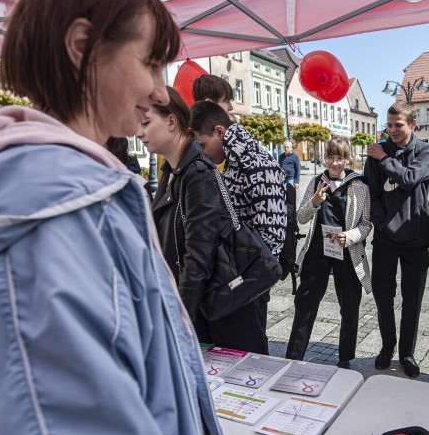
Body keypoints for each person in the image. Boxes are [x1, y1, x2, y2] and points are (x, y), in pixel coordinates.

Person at [0, 0, 232, 435]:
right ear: (82, 48)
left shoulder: (78, 190)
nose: (160, 90)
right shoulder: (48, 207)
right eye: (148, 62)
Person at [145, 87, 265, 353]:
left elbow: (198, 255)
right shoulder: (173, 172)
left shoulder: (196, 172)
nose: (138, 132)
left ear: (172, 122)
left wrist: (179, 319)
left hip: (221, 314)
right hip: (203, 308)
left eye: (145, 122)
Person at [190, 100, 287, 353]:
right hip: (235, 278)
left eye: (203, 145)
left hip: (246, 283)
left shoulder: (257, 164)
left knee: (250, 356)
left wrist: (240, 279)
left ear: (220, 132)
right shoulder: (233, 162)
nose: (203, 153)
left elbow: (273, 236)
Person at [285, 138, 372, 368]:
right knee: (306, 304)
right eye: (331, 157)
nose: (335, 162)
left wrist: (351, 236)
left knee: (350, 305)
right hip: (317, 251)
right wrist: (314, 202)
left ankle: (345, 357)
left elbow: (366, 225)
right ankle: (294, 356)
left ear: (347, 159)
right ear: (325, 158)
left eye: (340, 157)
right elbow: (302, 217)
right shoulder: (316, 182)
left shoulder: (360, 187)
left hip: (346, 252)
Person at [364, 102, 429, 378]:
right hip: (385, 239)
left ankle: (407, 352)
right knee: (384, 298)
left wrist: (384, 158)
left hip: (416, 237)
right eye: (389, 125)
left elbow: (409, 178)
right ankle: (386, 347)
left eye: (398, 125)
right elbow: (372, 193)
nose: (392, 130)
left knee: (412, 300)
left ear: (412, 124)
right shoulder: (377, 152)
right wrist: (382, 225)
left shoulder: (425, 150)